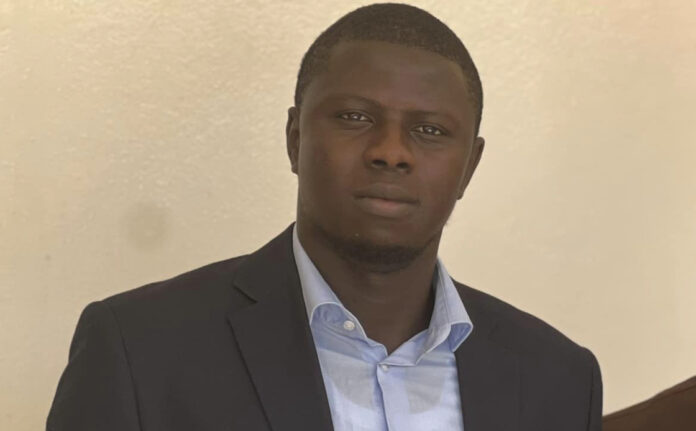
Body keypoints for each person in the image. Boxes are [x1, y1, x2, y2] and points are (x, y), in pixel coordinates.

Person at [47, 3, 602, 430]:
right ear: (295, 138)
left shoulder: (559, 380)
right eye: (356, 117)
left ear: (469, 167)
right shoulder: (139, 351)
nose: (391, 151)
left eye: (430, 130)